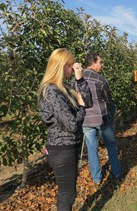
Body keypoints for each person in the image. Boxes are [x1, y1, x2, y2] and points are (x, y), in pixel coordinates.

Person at [38, 48, 91, 210]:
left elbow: (87, 101)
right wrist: (81, 109)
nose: (73, 68)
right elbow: (72, 124)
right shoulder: (52, 91)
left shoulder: (64, 88)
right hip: (62, 149)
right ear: (62, 66)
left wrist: (80, 79)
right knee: (67, 194)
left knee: (69, 192)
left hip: (69, 147)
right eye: (71, 65)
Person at [81, 52, 122, 184]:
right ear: (93, 63)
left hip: (86, 120)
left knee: (91, 147)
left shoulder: (76, 79)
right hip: (102, 118)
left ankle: (97, 178)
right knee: (110, 144)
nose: (102, 65)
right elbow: (108, 99)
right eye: (100, 62)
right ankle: (116, 172)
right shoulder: (100, 79)